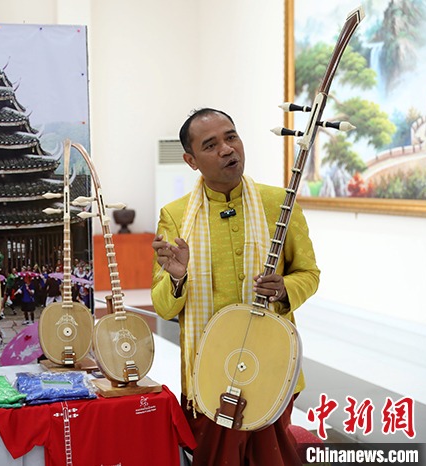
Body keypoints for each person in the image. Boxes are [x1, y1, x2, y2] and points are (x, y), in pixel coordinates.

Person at [151, 108, 320, 466]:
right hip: (207, 372)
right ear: (190, 160)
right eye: (210, 145)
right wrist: (178, 278)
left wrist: (284, 288)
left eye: (231, 137)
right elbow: (164, 307)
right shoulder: (176, 216)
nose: (227, 149)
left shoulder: (279, 203)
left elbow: (309, 273)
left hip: (271, 363)